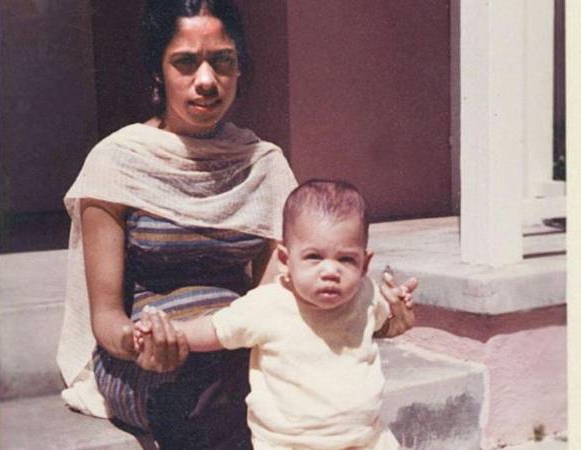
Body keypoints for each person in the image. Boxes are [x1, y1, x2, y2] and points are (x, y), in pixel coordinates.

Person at [56, 1, 416, 448]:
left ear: (239, 68)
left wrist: (374, 320)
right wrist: (142, 344)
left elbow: (283, 291)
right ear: (158, 71)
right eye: (185, 63)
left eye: (222, 61)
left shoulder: (261, 164)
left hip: (238, 345)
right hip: (147, 362)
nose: (206, 81)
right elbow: (106, 317)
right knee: (212, 394)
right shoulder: (118, 162)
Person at [135, 180, 416, 449]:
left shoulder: (366, 295)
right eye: (314, 257)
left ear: (365, 263)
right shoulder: (268, 305)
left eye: (346, 259)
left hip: (365, 438)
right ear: (285, 260)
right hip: (289, 443)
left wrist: (398, 313)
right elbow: (215, 330)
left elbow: (384, 325)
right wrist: (170, 330)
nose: (331, 271)